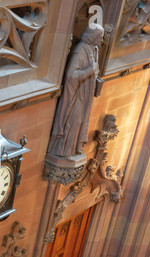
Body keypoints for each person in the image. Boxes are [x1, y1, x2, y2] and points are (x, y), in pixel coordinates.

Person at [47, 23, 105, 158]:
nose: (102, 41)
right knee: (74, 120)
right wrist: (89, 70)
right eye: (100, 37)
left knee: (81, 120)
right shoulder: (81, 50)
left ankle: (73, 148)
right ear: (93, 36)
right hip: (76, 94)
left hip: (85, 94)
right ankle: (63, 150)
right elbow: (71, 75)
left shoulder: (93, 49)